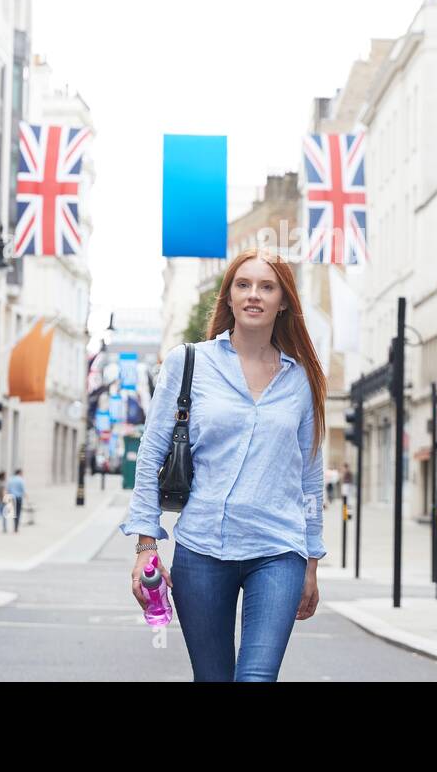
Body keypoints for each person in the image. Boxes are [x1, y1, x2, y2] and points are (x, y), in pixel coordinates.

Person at [119, 249, 327, 682]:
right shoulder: (188, 362)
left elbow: (310, 477)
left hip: (278, 550)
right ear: (228, 298)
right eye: (243, 285)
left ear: (283, 301)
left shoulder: (301, 378)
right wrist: (146, 545)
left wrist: (311, 560)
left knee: (256, 677)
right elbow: (151, 453)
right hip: (203, 549)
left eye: (267, 287)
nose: (254, 295)